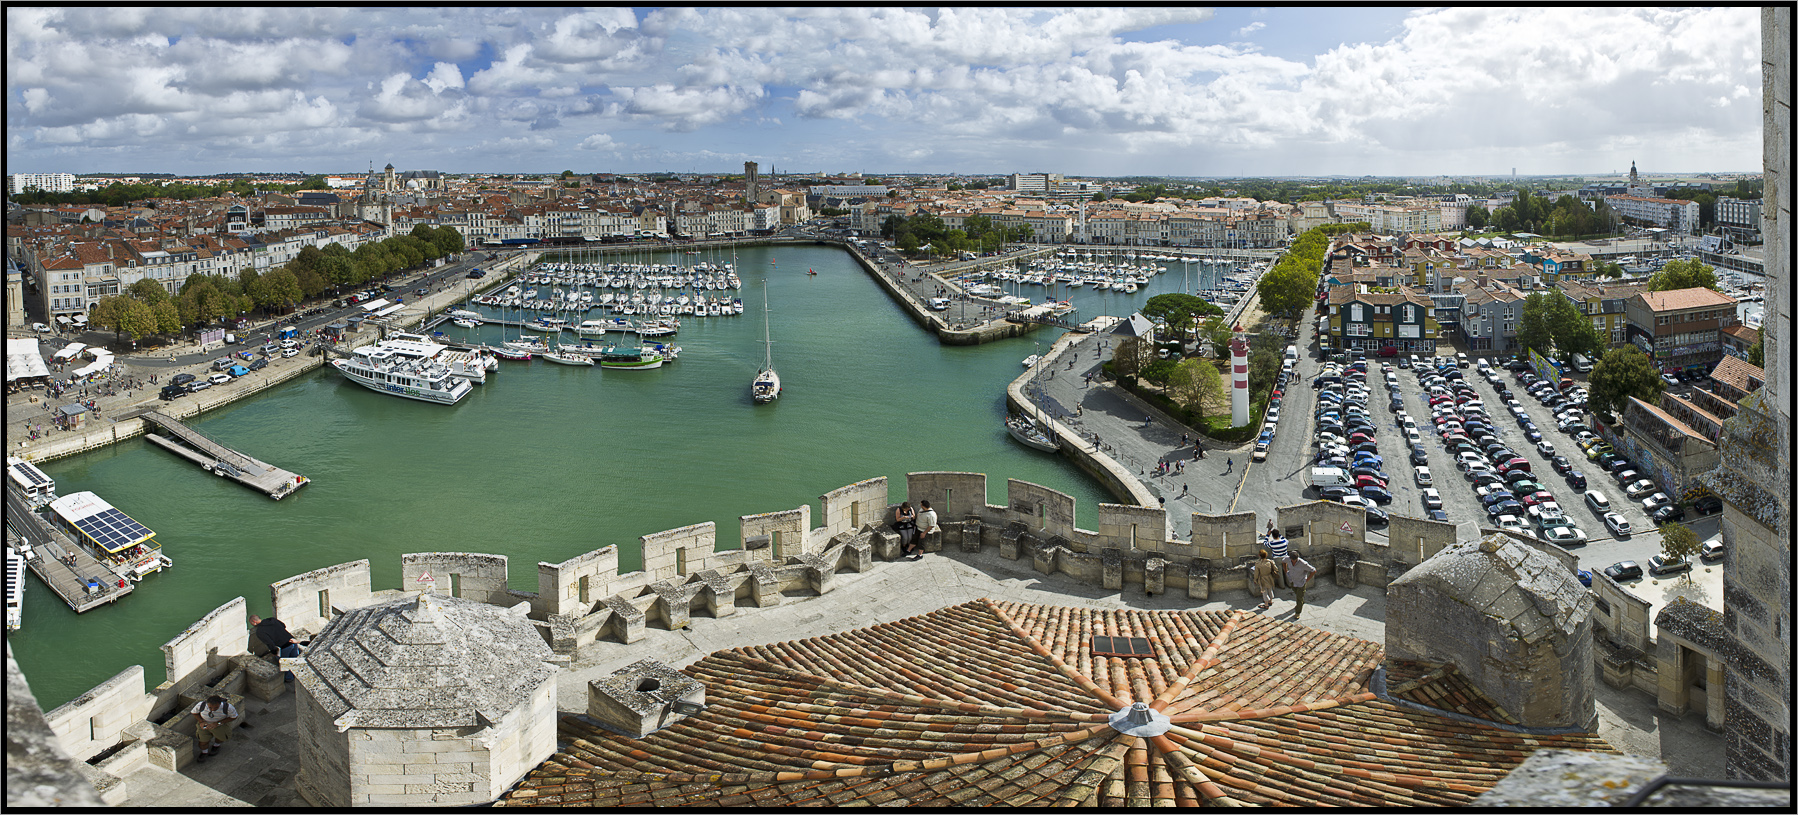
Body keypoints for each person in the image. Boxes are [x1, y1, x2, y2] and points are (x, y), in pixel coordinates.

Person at [250, 615, 302, 682]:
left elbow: (269, 643)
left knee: (285, 663)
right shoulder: (272, 620)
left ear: (254, 622)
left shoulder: (260, 631)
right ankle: (297, 674)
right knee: (295, 659)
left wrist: (274, 652)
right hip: (292, 640)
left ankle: (289, 678)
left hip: (284, 646)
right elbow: (283, 625)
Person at [190, 695, 239, 759]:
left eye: (216, 707)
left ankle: (216, 745)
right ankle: (204, 752)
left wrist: (218, 723)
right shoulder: (201, 705)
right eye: (210, 707)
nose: (213, 710)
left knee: (221, 737)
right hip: (205, 725)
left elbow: (234, 717)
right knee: (203, 741)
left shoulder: (228, 707)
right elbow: (194, 713)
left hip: (219, 725)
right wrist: (201, 721)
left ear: (220, 704)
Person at [1283, 552, 1317, 621]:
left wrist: (1307, 580)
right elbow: (1283, 561)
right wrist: (1285, 570)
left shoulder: (1303, 563)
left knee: (1299, 598)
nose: (1293, 561)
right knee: (1297, 593)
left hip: (1301, 583)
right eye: (1292, 560)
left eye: (1295, 560)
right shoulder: (1287, 559)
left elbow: (1313, 570)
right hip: (1292, 581)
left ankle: (1297, 612)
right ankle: (1301, 602)